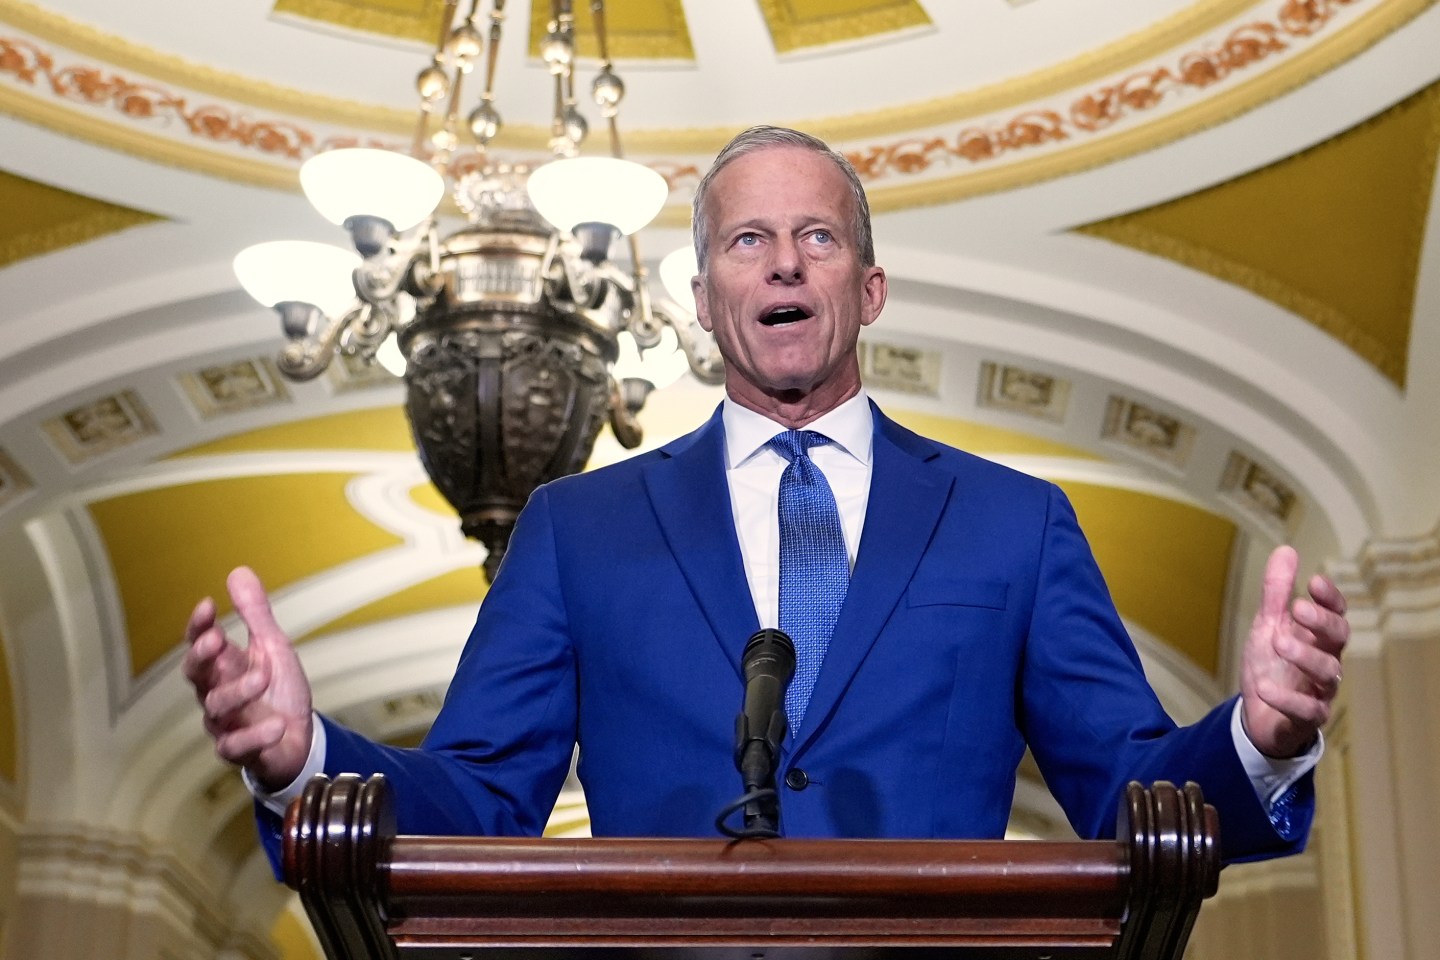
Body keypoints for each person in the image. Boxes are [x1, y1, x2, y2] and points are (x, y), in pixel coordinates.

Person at [184, 126, 1348, 872]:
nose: (783, 263)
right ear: (701, 296)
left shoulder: (1015, 524)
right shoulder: (576, 529)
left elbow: (1127, 794)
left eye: (816, 238)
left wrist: (1258, 738)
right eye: (747, 240)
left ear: (870, 285)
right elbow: (479, 799)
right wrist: (304, 763)